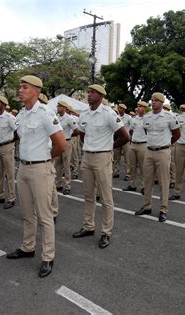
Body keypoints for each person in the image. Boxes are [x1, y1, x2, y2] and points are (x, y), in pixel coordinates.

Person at [6, 75, 66, 278]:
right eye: (19, 86)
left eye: (24, 87)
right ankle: (27, 247)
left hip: (41, 169)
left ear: (36, 91)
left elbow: (61, 143)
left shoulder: (45, 113)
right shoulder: (22, 114)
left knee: (45, 215)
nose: (20, 90)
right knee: (26, 212)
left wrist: (46, 159)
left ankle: (48, 256)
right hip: (23, 168)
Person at [72, 84, 130, 247]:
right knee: (89, 195)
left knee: (106, 197)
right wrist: (91, 146)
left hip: (103, 157)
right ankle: (88, 226)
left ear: (101, 96)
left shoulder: (108, 113)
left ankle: (106, 231)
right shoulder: (84, 114)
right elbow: (82, 134)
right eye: (88, 92)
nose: (88, 95)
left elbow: (125, 136)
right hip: (88, 157)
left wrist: (108, 147)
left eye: (92, 93)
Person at [135, 92, 180, 222]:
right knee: (147, 180)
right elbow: (146, 131)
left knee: (163, 181)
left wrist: (166, 144)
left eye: (156, 100)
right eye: (152, 100)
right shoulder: (147, 117)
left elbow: (177, 134)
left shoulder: (169, 116)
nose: (153, 102)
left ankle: (163, 209)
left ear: (161, 102)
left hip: (163, 151)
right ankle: (147, 205)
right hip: (149, 151)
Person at [0, 95, 17, 209]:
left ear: (3, 104)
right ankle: (0, 195)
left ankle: (11, 198)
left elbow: (17, 131)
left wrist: (12, 142)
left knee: (10, 173)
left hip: (7, 146)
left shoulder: (10, 118)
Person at [123, 100, 148, 194]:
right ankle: (132, 184)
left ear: (145, 108)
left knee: (143, 167)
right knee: (132, 166)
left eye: (141, 106)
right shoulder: (134, 119)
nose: (138, 108)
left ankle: (144, 186)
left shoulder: (147, 119)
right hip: (133, 143)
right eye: (138, 106)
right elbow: (131, 130)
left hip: (143, 144)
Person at [54, 100, 78, 195]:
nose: (58, 108)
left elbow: (76, 131)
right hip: (58, 143)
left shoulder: (69, 118)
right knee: (58, 164)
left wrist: (69, 136)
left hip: (66, 142)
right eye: (57, 106)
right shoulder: (56, 118)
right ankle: (58, 184)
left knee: (66, 165)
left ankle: (67, 186)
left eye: (59, 107)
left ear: (64, 108)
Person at [112, 103, 132, 180]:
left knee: (127, 158)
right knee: (116, 157)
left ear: (124, 110)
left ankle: (128, 174)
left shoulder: (128, 117)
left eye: (121, 108)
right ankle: (116, 172)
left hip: (125, 139)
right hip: (117, 138)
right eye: (119, 108)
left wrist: (128, 135)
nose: (119, 109)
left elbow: (131, 127)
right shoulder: (115, 117)